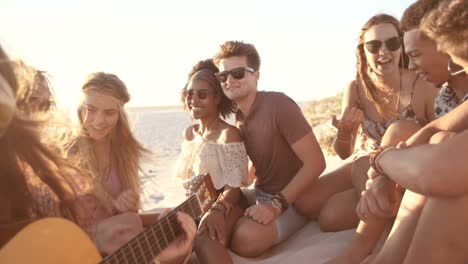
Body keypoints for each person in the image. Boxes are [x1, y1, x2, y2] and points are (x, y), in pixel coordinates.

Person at [0, 46, 196, 264]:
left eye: (46, 105)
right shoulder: (58, 155)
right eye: (29, 103)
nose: (98, 120)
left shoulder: (124, 153)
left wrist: (156, 225)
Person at [295, 13, 437, 237]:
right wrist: (345, 133)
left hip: (405, 164)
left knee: (331, 215)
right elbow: (343, 153)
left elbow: (438, 138)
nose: (384, 52)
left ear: (401, 46)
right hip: (364, 165)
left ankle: (388, 218)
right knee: (306, 203)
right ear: (363, 51)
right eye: (374, 45)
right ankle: (382, 204)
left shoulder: (421, 84)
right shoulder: (356, 89)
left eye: (392, 43)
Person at [350, 1, 468, 263]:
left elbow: (438, 171)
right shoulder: (446, 96)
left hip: (441, 176)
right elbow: (434, 129)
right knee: (433, 140)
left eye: (413, 55)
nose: (411, 65)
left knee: (447, 174)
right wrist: (382, 173)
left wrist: (381, 160)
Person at [212, 40, 326, 257]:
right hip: (261, 193)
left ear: (256, 75)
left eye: (237, 73)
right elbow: (260, 161)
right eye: (223, 76)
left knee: (245, 240)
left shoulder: (278, 105)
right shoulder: (239, 118)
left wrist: (276, 205)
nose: (229, 80)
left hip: (293, 199)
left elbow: (316, 163)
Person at [174, 59, 248, 264]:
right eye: (190, 94)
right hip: (197, 206)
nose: (193, 99)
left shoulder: (228, 134)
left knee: (203, 239)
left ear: (217, 97)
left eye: (202, 94)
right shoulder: (189, 134)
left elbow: (235, 185)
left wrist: (218, 209)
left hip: (228, 204)